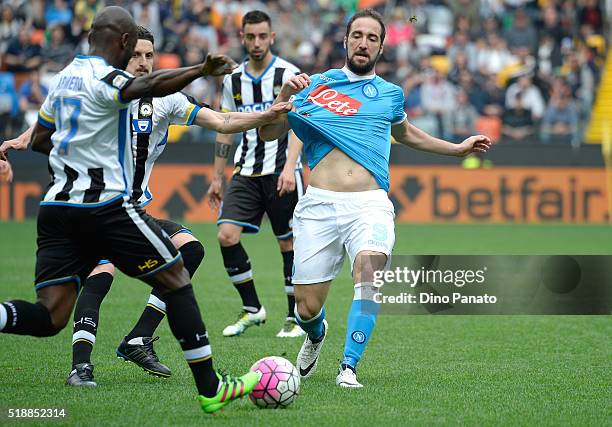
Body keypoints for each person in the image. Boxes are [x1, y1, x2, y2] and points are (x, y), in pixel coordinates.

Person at [0, 6, 266, 414]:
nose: (142, 60)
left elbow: (41, 139)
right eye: (136, 50)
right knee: (175, 278)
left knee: (49, 316)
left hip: (56, 208)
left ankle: (124, 338)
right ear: (124, 44)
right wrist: (199, 68)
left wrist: (77, 153)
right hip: (106, 206)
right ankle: (209, 387)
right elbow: (146, 86)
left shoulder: (63, 78)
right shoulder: (110, 78)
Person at [260, 8, 491, 388]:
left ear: (381, 47)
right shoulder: (316, 85)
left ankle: (348, 366)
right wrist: (285, 94)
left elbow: (408, 133)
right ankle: (316, 334)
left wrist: (457, 149)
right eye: (358, 35)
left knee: (370, 274)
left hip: (369, 204)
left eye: (372, 37)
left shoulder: (390, 95)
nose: (363, 42)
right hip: (319, 204)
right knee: (305, 308)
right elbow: (270, 134)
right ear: (345, 40)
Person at [206, 10, 305, 338]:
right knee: (226, 235)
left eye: (263, 36)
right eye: (251, 37)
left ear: (272, 37)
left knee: (288, 245)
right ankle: (253, 309)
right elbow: (224, 127)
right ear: (243, 38)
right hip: (246, 171)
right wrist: (218, 176)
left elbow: (299, 126)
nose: (257, 42)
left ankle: (293, 317)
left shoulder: (288, 74)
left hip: (282, 171)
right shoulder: (233, 81)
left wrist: (290, 167)